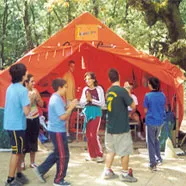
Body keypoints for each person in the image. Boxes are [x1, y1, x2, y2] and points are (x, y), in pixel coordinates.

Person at [33, 78, 77, 186]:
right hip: (57, 131)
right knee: (63, 155)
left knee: (58, 153)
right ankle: (58, 180)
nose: (66, 89)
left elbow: (62, 111)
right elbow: (63, 116)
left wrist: (69, 106)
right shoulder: (56, 99)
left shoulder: (57, 98)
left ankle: (40, 170)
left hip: (57, 130)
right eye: (65, 87)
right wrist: (71, 108)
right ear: (60, 87)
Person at [103, 68, 137, 182]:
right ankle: (125, 174)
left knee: (111, 150)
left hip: (110, 126)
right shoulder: (122, 91)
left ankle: (107, 171)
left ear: (109, 79)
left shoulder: (108, 91)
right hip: (121, 127)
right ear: (119, 76)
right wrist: (128, 92)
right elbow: (133, 106)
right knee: (125, 151)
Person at [3, 63, 31, 186]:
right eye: (26, 72)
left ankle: (19, 175)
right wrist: (30, 99)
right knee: (16, 152)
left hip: (11, 124)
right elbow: (27, 111)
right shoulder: (23, 91)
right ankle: (10, 179)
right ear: (23, 75)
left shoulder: (10, 87)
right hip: (16, 126)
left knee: (20, 151)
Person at [80, 72, 105, 163]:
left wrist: (92, 100)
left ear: (94, 79)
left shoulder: (99, 89)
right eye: (86, 79)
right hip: (87, 112)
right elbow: (81, 102)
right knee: (88, 135)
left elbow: (102, 103)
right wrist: (87, 100)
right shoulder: (85, 89)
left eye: (89, 79)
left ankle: (99, 154)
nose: (87, 81)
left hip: (96, 112)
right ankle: (92, 155)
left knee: (93, 134)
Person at [21, 74, 43, 169]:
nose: (34, 83)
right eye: (32, 81)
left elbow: (41, 104)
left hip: (35, 118)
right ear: (26, 82)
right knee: (25, 141)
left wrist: (38, 98)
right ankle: (22, 162)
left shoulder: (35, 91)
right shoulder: (22, 93)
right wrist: (30, 99)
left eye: (34, 81)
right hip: (25, 119)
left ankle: (32, 162)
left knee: (34, 140)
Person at [143, 77, 166, 171]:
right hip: (160, 122)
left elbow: (145, 110)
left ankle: (153, 163)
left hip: (151, 122)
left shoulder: (147, 96)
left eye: (148, 83)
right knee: (156, 140)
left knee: (150, 142)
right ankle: (158, 158)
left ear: (150, 85)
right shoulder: (163, 95)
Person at [63, 60, 76, 143]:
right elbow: (63, 88)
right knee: (67, 117)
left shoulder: (71, 75)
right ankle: (66, 134)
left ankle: (67, 133)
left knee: (69, 117)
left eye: (74, 66)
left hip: (71, 99)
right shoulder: (66, 75)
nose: (73, 68)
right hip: (67, 99)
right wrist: (64, 99)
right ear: (68, 66)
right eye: (71, 66)